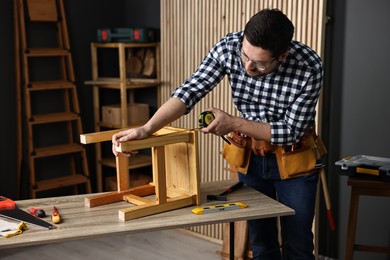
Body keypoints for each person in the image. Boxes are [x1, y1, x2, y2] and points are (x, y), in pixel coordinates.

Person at [112, 8, 323, 260]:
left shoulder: (309, 66)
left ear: (283, 56)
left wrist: (233, 122)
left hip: (295, 162)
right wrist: (147, 129)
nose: (248, 66)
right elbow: (190, 91)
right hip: (251, 158)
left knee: (298, 246)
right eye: (245, 55)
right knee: (262, 243)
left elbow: (290, 131)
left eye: (260, 63)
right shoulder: (228, 46)